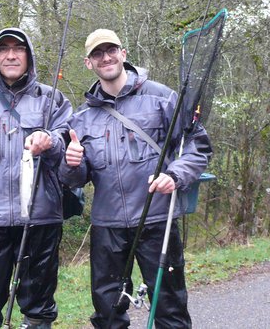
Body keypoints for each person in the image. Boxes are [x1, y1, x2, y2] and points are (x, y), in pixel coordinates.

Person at [61, 29, 212, 329]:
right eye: (97, 54)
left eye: (111, 50)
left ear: (123, 53)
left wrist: (175, 175)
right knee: (107, 313)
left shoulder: (162, 97)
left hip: (157, 220)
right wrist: (71, 163)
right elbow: (75, 179)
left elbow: (198, 146)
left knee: (169, 308)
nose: (106, 57)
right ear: (88, 63)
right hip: (108, 227)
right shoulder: (81, 118)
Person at [0, 28, 72, 329]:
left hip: (41, 220)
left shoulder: (53, 100)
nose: (10, 55)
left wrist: (50, 141)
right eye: (3, 49)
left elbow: (69, 148)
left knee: (38, 309)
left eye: (18, 48)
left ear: (28, 56)